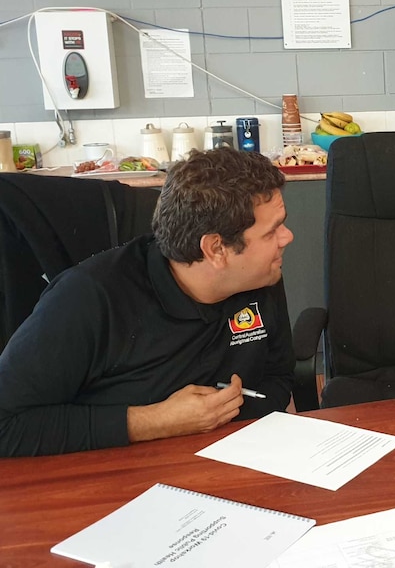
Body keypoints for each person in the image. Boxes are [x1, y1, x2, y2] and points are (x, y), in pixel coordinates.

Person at [0, 147, 296, 457]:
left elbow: (277, 378)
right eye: (272, 231)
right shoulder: (89, 298)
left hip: (232, 465)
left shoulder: (259, 275)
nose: (286, 237)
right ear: (215, 249)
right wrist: (154, 422)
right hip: (114, 481)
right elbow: (6, 424)